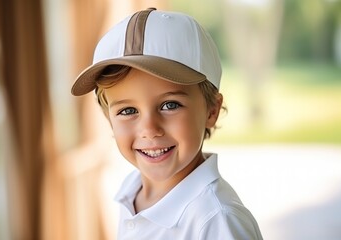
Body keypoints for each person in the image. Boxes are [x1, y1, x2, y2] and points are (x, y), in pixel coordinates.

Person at [71, 7, 263, 240]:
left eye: (169, 105)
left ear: (211, 110)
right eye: (128, 110)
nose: (149, 129)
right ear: (109, 120)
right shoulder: (132, 191)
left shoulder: (216, 220)